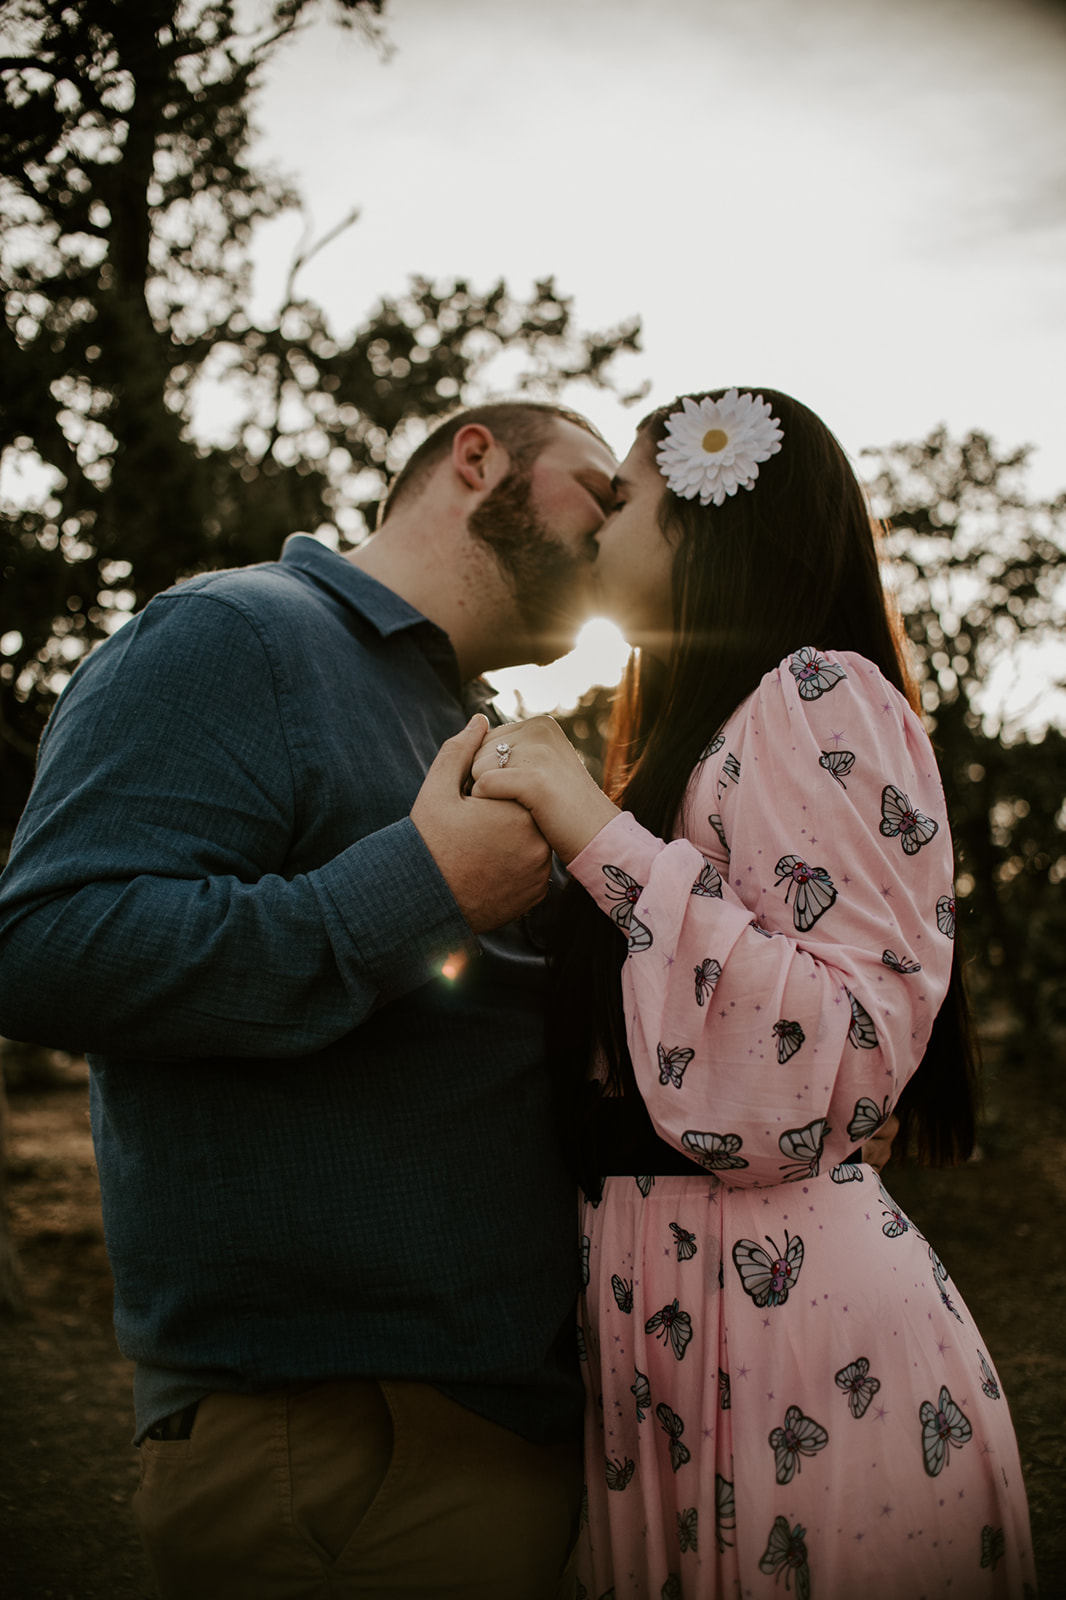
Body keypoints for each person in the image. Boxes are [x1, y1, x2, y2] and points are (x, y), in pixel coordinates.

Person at [0, 401, 621, 1599]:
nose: (620, 524)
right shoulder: (235, 633)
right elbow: (43, 945)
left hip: (512, 1425)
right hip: (349, 1445)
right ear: (475, 456)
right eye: (600, 486)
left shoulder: (463, 719)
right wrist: (421, 887)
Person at [469, 389, 1036, 1598]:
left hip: (783, 1338)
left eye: (624, 499)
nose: (598, 529)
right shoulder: (713, 729)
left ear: (705, 521)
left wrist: (587, 822)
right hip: (668, 1305)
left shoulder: (815, 693)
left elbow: (828, 1050)